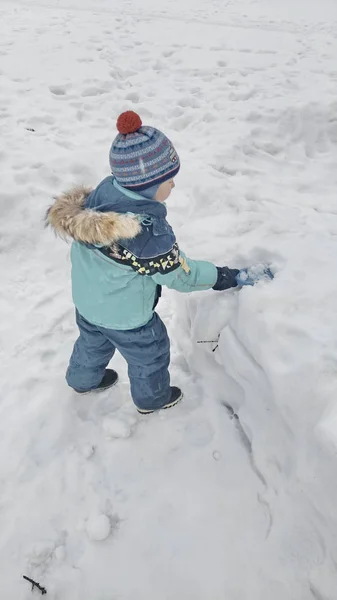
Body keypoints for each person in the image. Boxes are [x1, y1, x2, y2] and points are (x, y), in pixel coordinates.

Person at [46, 111, 257, 414]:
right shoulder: (146, 233)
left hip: (88, 304)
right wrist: (223, 276)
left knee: (92, 344)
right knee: (151, 354)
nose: (173, 186)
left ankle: (82, 380)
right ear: (146, 184)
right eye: (168, 180)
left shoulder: (103, 194)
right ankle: (152, 399)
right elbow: (180, 276)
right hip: (128, 318)